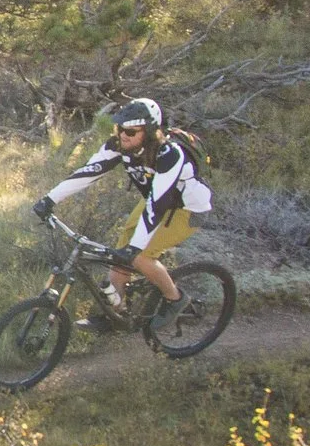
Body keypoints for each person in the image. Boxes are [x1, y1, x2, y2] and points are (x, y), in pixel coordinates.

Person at [30, 98, 212, 329]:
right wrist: (49, 199)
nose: (123, 135)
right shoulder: (119, 145)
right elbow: (88, 172)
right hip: (156, 202)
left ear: (148, 132)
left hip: (187, 209)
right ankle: (116, 314)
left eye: (130, 131)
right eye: (120, 128)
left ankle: (175, 299)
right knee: (120, 254)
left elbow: (157, 203)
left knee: (140, 256)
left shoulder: (169, 154)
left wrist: (136, 248)